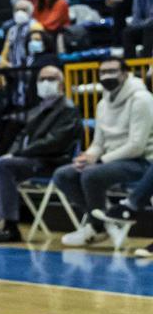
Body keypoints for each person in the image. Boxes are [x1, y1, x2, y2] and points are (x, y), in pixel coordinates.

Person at [0, 66, 80, 242]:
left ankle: (10, 227)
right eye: (41, 79)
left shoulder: (68, 109)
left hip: (50, 160)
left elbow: (53, 142)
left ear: (61, 84)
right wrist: (12, 153)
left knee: (3, 165)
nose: (45, 83)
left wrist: (17, 154)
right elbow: (21, 136)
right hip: (27, 158)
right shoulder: (39, 107)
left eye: (51, 79)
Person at [58, 58, 153, 248]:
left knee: (91, 174)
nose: (107, 76)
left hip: (142, 161)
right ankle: (103, 223)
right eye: (103, 72)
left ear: (125, 73)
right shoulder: (102, 103)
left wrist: (100, 160)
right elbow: (98, 143)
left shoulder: (141, 99)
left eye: (112, 71)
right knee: (64, 175)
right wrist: (88, 156)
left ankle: (100, 222)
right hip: (113, 161)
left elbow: (137, 145)